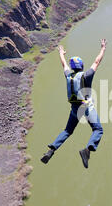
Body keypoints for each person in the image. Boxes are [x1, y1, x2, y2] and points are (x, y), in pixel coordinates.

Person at [41, 39, 107, 168]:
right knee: (98, 129)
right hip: (86, 107)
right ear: (81, 66)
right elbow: (96, 61)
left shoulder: (68, 76)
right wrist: (103, 48)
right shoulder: (86, 75)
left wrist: (61, 53)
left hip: (75, 109)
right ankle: (87, 150)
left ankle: (51, 151)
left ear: (73, 67)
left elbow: (64, 65)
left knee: (67, 131)